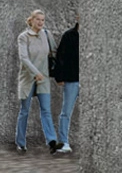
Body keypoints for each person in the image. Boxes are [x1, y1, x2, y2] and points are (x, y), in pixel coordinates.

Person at [15, 9, 62, 154]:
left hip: (44, 78)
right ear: (32, 20)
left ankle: (52, 142)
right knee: (24, 111)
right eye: (38, 19)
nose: (41, 22)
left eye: (43, 20)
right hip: (28, 78)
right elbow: (24, 58)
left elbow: (54, 52)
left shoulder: (46, 34)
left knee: (46, 110)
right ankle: (21, 143)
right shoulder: (23, 37)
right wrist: (36, 73)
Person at [53, 12, 80, 154]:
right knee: (66, 112)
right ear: (77, 17)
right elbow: (60, 56)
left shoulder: (95, 36)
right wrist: (59, 77)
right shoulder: (69, 35)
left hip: (91, 81)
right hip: (72, 79)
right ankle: (64, 142)